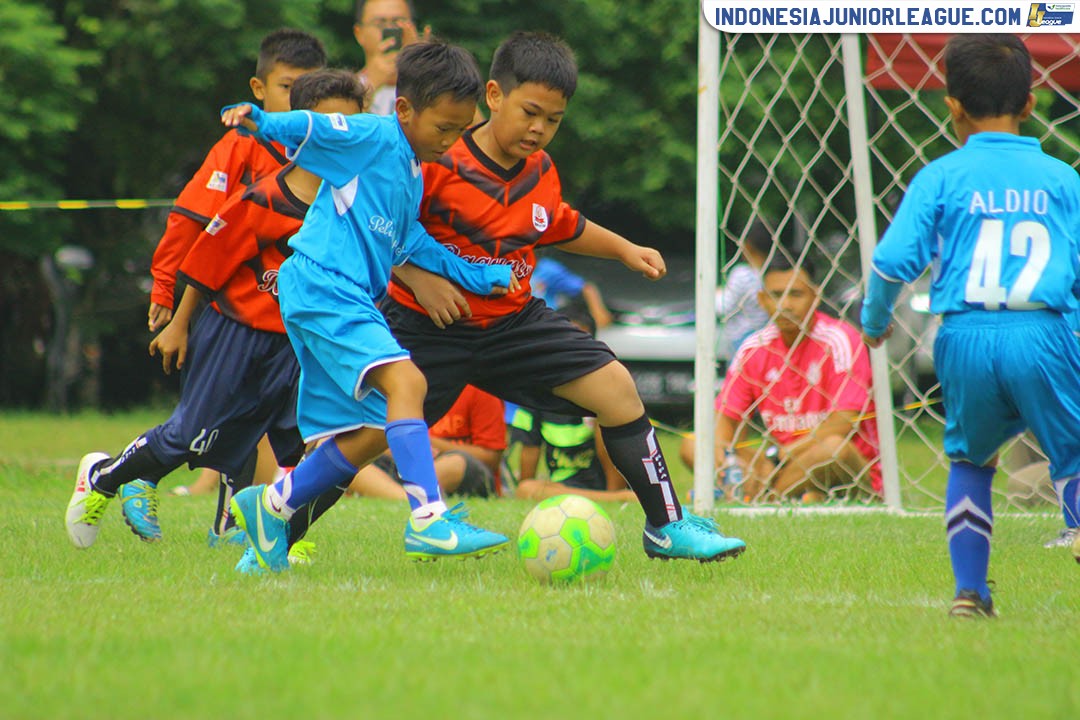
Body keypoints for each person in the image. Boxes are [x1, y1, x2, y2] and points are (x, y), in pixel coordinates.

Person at [382, 31, 745, 561]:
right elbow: (379, 226)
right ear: (493, 95)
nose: (539, 129)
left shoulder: (539, 172)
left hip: (511, 324)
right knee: (363, 436)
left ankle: (667, 527)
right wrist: (417, 277)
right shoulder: (435, 157)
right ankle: (279, 517)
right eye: (530, 112)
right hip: (427, 327)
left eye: (553, 120)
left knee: (616, 386)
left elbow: (558, 223)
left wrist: (624, 249)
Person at [218, 41, 517, 573]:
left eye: (459, 131)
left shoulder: (411, 169)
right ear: (404, 110)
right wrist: (260, 121)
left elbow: (409, 243)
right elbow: (311, 128)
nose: (450, 143)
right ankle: (429, 519)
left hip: (334, 294)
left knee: (372, 430)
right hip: (324, 284)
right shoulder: (375, 136)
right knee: (410, 385)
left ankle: (270, 508)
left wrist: (478, 275)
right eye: (443, 129)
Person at [64, 69, 368, 553]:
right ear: (301, 128)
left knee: (313, 441)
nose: (339, 138)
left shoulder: (350, 203)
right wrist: (180, 323)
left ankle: (274, 535)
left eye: (350, 128)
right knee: (190, 438)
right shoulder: (261, 199)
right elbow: (205, 264)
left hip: (297, 341)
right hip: (236, 333)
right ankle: (103, 476)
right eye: (326, 125)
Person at [861, 34, 1080, 618]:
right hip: (1043, 330)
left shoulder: (940, 177)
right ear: (1031, 105)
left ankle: (970, 592)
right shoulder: (1063, 180)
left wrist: (874, 321)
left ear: (950, 105)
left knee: (970, 462)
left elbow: (891, 262)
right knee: (1074, 453)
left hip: (963, 334)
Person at [146, 28, 327, 543]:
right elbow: (190, 218)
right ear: (258, 88)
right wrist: (165, 293)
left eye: (305, 90)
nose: (296, 101)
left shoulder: (330, 158)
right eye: (287, 87)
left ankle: (232, 523)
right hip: (222, 307)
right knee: (206, 425)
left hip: (290, 317)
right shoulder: (241, 145)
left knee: (267, 421)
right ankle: (124, 477)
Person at [708, 253, 882, 503]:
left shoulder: (841, 339)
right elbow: (726, 419)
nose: (786, 305)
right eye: (777, 295)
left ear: (815, 295)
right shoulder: (753, 348)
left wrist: (778, 456)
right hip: (777, 462)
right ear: (762, 299)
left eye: (796, 294)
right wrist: (725, 455)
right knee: (694, 446)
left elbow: (844, 422)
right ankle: (790, 494)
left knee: (833, 449)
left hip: (839, 466)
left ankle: (761, 497)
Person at [508, 304, 635, 503]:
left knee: (608, 413)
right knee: (526, 488)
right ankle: (613, 499)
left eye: (579, 344)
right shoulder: (535, 394)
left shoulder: (606, 387)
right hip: (565, 487)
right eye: (564, 343)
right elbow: (526, 481)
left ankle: (613, 494)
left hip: (608, 484)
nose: (571, 353)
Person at [348, 384, 506, 500]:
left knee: (456, 462)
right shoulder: (403, 382)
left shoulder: (478, 389)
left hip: (451, 468)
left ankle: (396, 493)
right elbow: (376, 435)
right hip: (402, 466)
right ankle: (403, 498)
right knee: (354, 460)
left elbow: (491, 457)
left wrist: (423, 441)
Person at [353, 0, 429, 116]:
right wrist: (371, 85)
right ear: (359, 33)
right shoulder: (343, 89)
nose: (389, 30)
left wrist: (419, 68)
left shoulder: (431, 86)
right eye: (379, 23)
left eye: (398, 23)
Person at [715, 219, 771, 354]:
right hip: (768, 336)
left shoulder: (742, 274)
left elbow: (724, 307)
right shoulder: (774, 273)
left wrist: (717, 293)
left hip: (742, 338)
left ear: (747, 245)